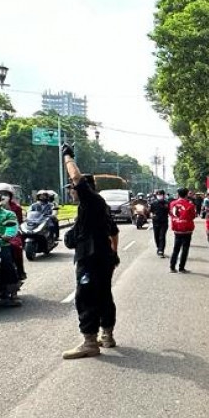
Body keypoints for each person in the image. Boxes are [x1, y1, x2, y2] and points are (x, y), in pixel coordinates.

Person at [61, 144, 120, 359]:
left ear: (83, 189)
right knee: (104, 295)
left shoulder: (91, 200)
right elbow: (114, 232)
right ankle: (107, 335)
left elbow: (76, 177)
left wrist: (67, 156)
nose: (70, 190)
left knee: (85, 297)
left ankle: (89, 341)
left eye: (72, 187)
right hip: (102, 257)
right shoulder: (97, 206)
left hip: (91, 259)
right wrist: (113, 254)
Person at [0, 182, 26, 281]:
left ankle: (19, 271)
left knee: (15, 247)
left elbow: (18, 222)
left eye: (5, 194)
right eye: (0, 194)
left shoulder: (16, 208)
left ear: (10, 195)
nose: (3, 196)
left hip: (11, 233)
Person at [169, 187, 196, 273]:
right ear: (187, 194)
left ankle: (172, 267)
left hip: (177, 228)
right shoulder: (190, 205)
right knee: (185, 249)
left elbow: (171, 214)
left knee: (176, 248)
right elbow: (193, 216)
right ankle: (181, 268)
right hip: (187, 229)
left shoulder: (172, 203)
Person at [149, 189, 170, 257]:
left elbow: (170, 211)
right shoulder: (153, 203)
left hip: (164, 222)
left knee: (162, 236)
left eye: (160, 194)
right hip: (156, 222)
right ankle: (158, 247)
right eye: (158, 195)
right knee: (156, 236)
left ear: (163, 195)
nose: (159, 196)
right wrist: (151, 215)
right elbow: (150, 211)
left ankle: (161, 250)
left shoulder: (167, 203)